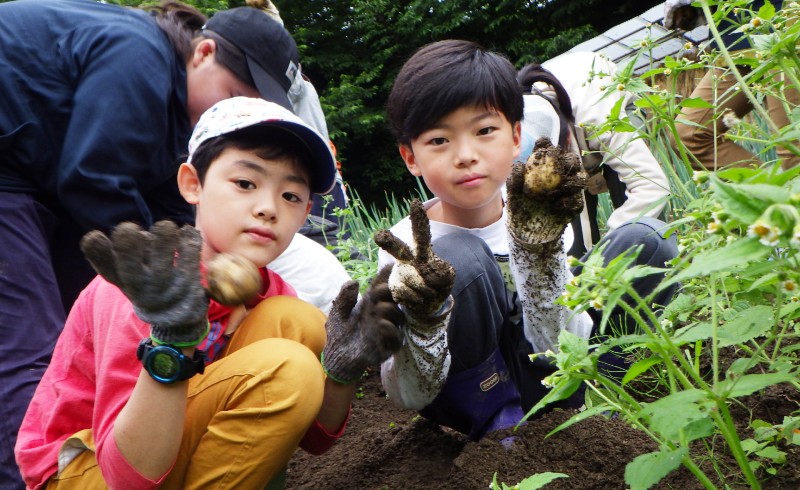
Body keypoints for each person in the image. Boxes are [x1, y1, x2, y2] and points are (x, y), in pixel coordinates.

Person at [15, 97, 404, 489]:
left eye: (290, 196)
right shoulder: (144, 287)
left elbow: (315, 438)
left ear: (305, 214)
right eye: (245, 183)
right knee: (287, 366)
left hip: (169, 455)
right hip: (89, 466)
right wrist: (170, 343)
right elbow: (127, 477)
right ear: (192, 184)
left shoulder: (275, 295)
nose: (268, 208)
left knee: (298, 321)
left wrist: (340, 374)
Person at [0, 1, 309, 485]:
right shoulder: (139, 52)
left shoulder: (177, 131)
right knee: (29, 340)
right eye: (231, 94)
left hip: (37, 174)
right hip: (13, 171)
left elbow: (177, 226)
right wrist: (155, 281)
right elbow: (93, 179)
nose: (232, 113)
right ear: (203, 53)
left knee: (86, 327)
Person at [376, 40, 679, 442]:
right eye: (439, 140)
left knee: (648, 241)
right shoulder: (405, 248)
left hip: (551, 369)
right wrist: (425, 321)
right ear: (410, 157)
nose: (466, 155)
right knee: (459, 260)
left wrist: (539, 251)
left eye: (485, 130)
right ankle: (501, 431)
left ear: (516, 136)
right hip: (468, 396)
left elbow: (560, 340)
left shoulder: (538, 212)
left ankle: (601, 404)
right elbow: (408, 392)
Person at [517, 51, 671, 258]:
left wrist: (610, 249)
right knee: (572, 235)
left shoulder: (600, 118)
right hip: (578, 136)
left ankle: (662, 270)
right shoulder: (520, 134)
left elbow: (653, 186)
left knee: (637, 214)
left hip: (609, 109)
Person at [664, 0, 799, 170]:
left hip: (780, 21)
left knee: (792, 148)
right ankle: (774, 191)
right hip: (732, 36)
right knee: (688, 136)